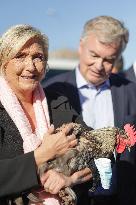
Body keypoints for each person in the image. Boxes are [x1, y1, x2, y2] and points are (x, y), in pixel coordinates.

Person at [44, 16, 136, 205]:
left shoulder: (131, 91)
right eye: (94, 55)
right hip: (71, 198)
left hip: (121, 198)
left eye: (109, 59)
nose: (99, 65)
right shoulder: (51, 91)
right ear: (81, 45)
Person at [0, 24, 92, 205]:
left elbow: (95, 153)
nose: (31, 67)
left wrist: (70, 180)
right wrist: (42, 154)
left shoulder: (59, 103)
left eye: (38, 57)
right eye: (20, 56)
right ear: (4, 62)